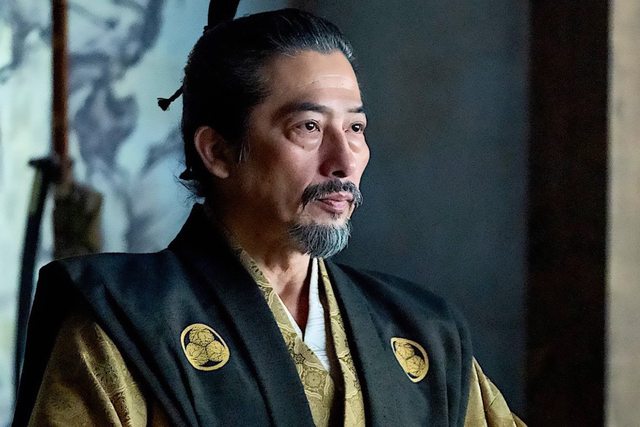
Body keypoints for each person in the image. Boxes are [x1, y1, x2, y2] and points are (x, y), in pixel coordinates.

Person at [13, 7, 525, 427]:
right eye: (308, 127)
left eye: (356, 128)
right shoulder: (124, 322)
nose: (344, 161)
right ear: (217, 151)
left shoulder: (423, 329)